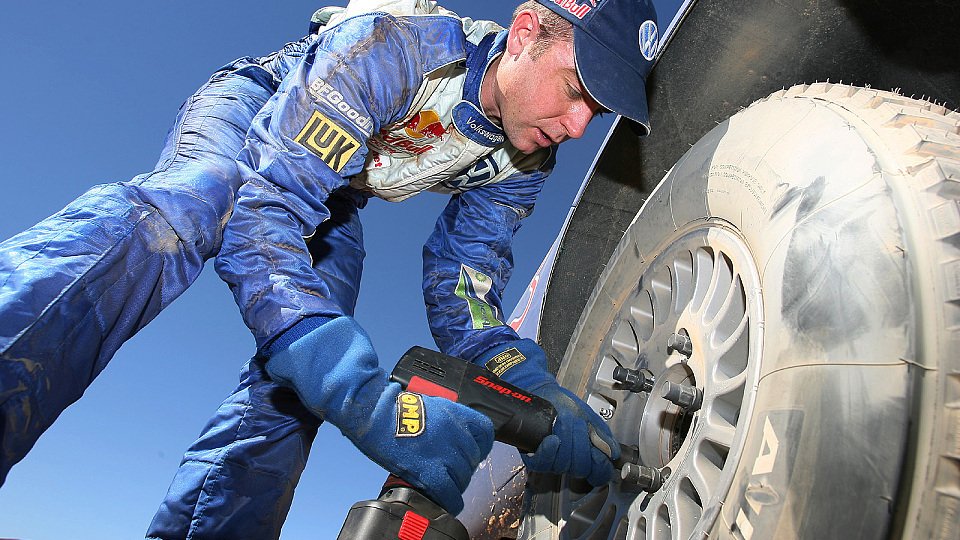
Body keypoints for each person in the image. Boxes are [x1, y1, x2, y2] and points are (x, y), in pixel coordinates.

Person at [0, 0, 658, 537]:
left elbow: (464, 282)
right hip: (259, 115)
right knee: (190, 206)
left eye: (593, 113)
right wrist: (367, 400)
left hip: (339, 191)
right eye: (575, 90)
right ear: (522, 36)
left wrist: (535, 389)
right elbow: (264, 208)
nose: (577, 127)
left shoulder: (526, 161)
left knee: (300, 374)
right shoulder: (394, 46)